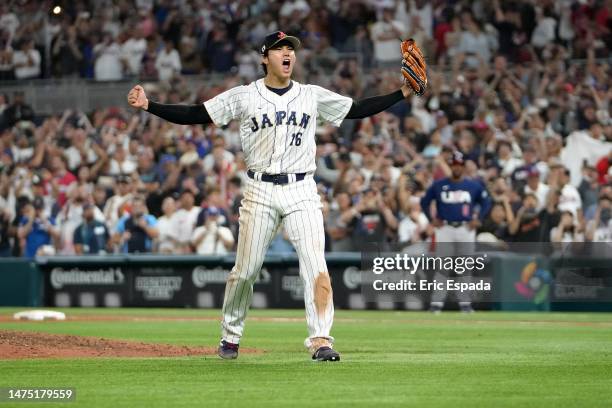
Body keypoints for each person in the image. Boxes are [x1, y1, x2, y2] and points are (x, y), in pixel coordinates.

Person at [128, 31, 418, 361]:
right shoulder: (245, 96)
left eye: (291, 49)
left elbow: (357, 108)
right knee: (246, 270)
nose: (287, 54)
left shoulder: (311, 95)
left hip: (302, 189)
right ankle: (230, 335)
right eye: (280, 48)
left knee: (315, 264)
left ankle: (321, 339)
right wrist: (149, 106)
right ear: (265, 57)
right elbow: (196, 114)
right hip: (259, 189)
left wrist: (402, 92)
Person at [420, 151, 492, 313]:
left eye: (459, 165)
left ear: (463, 167)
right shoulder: (439, 185)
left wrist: (478, 217)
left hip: (465, 228)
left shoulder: (472, 186)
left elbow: (486, 201)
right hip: (445, 228)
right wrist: (432, 219)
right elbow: (424, 202)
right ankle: (436, 305)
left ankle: (465, 304)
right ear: (450, 166)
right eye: (454, 165)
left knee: (464, 268)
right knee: (442, 268)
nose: (456, 168)